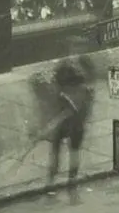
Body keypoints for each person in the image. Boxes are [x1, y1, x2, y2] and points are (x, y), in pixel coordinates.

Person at [38, 55, 96, 197]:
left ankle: (51, 182)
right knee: (74, 152)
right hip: (77, 125)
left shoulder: (61, 91)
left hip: (63, 124)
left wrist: (49, 124)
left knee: (56, 152)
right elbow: (86, 109)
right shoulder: (84, 91)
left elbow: (56, 108)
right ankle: (72, 180)